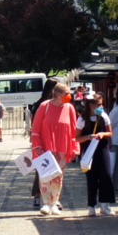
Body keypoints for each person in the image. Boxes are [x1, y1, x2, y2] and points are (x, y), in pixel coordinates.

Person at [31, 79, 79, 216]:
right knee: (45, 176)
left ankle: (54, 203)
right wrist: (37, 146)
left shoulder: (70, 108)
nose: (70, 96)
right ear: (58, 94)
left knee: (58, 177)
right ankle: (45, 203)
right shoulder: (44, 106)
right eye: (67, 93)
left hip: (63, 149)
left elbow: (74, 129)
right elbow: (35, 128)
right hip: (46, 149)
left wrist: (75, 147)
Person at [77, 95, 114, 215]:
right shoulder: (82, 119)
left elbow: (110, 133)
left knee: (106, 175)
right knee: (91, 178)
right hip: (89, 152)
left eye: (102, 104)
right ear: (91, 106)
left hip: (102, 150)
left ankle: (104, 205)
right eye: (99, 105)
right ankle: (91, 206)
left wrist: (103, 134)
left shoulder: (103, 116)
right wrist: (88, 137)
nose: (101, 107)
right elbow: (76, 137)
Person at [28, 77, 59, 210]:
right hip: (41, 141)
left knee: (51, 171)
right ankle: (40, 197)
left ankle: (50, 199)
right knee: (42, 170)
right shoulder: (43, 105)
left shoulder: (39, 103)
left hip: (50, 141)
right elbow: (34, 124)